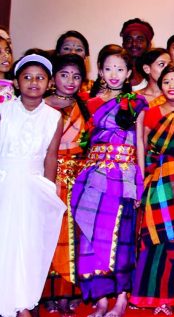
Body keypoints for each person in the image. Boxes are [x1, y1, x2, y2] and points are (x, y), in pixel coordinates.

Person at [72, 45, 149, 317]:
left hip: (124, 176)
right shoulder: (90, 102)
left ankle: (121, 298)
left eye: (120, 68)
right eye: (108, 68)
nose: (114, 74)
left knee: (123, 235)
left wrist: (140, 179)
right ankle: (101, 298)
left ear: (129, 72)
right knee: (93, 236)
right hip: (94, 175)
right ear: (101, 72)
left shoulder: (137, 103)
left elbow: (139, 141)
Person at [131, 64, 174, 313]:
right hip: (154, 181)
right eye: (167, 81)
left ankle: (173, 296)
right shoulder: (149, 112)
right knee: (153, 236)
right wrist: (141, 180)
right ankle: (151, 295)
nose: (172, 86)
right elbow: (142, 146)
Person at [0, 54, 66, 317]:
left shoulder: (53, 117)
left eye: (40, 78)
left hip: (32, 187)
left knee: (28, 244)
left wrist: (47, 190)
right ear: (16, 83)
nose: (33, 82)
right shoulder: (3, 111)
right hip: (4, 184)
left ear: (49, 83)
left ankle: (23, 303)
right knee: (5, 241)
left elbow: (51, 156)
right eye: (27, 77)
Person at [44, 54, 90, 316]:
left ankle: (67, 292)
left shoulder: (84, 106)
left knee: (73, 237)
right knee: (47, 234)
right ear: (53, 78)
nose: (70, 81)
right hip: (49, 176)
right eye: (64, 75)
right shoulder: (42, 104)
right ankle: (45, 292)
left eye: (76, 76)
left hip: (78, 179)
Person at [120, 18, 154, 88]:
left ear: (149, 45)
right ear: (123, 44)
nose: (134, 44)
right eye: (129, 39)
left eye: (140, 40)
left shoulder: (154, 72)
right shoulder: (114, 71)